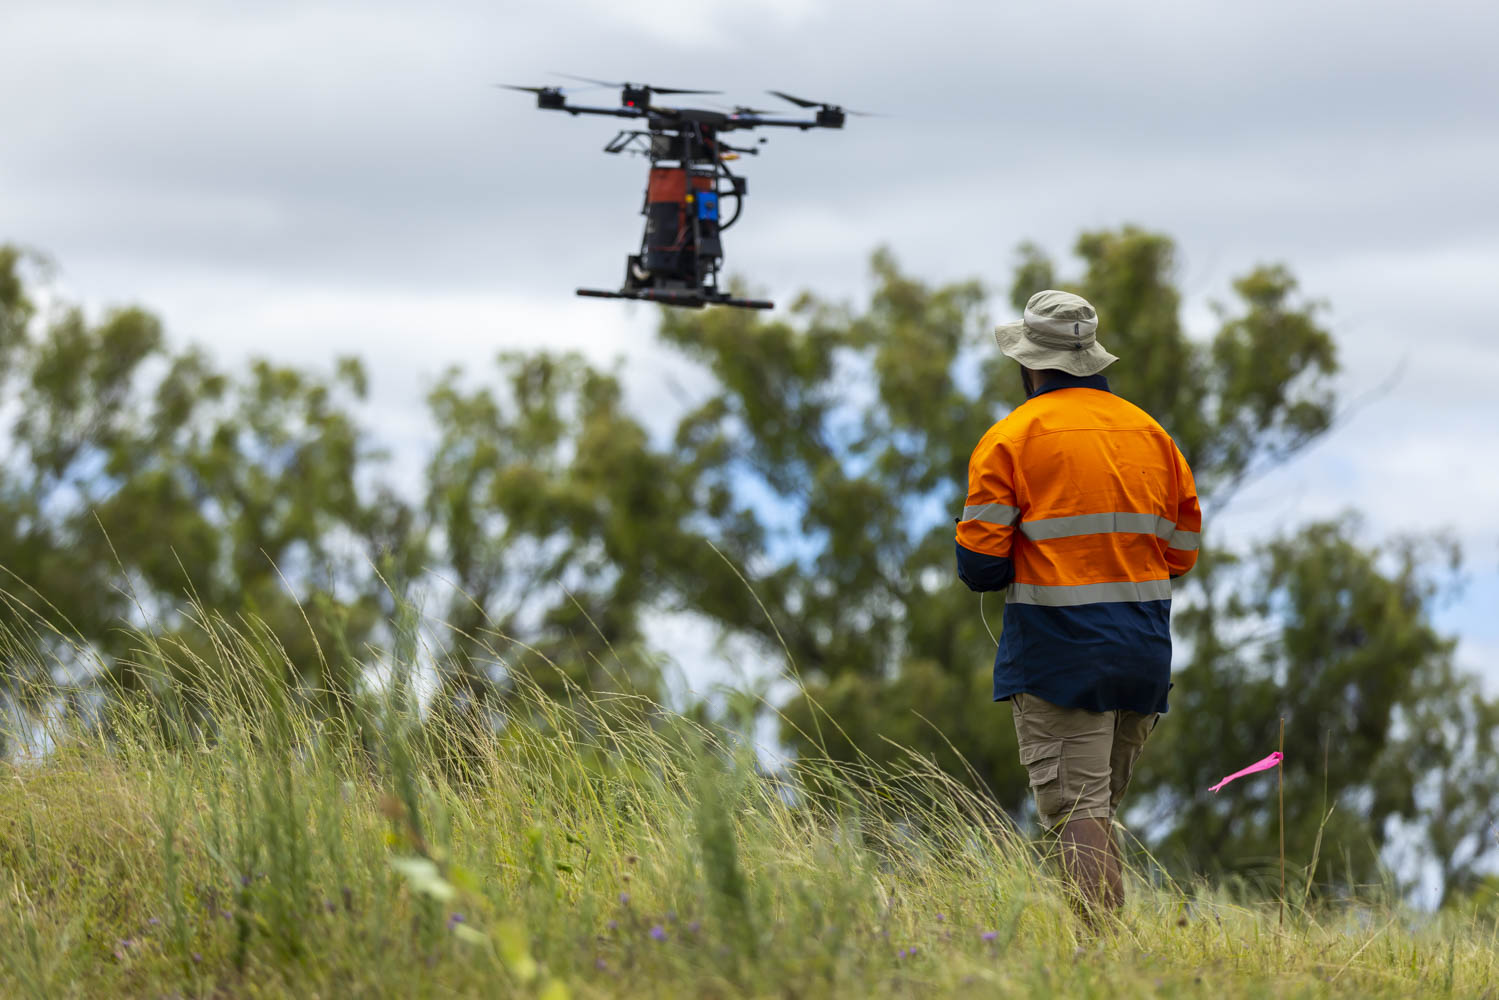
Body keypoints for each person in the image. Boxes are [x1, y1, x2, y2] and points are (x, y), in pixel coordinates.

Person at [955, 289, 1200, 923]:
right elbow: (1181, 554)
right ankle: (1108, 957)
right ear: (1091, 358)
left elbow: (979, 568)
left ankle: (1103, 965)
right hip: (1143, 654)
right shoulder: (1153, 435)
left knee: (1076, 813)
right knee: (1096, 811)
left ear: (1030, 365)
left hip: (1060, 657)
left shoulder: (1012, 438)